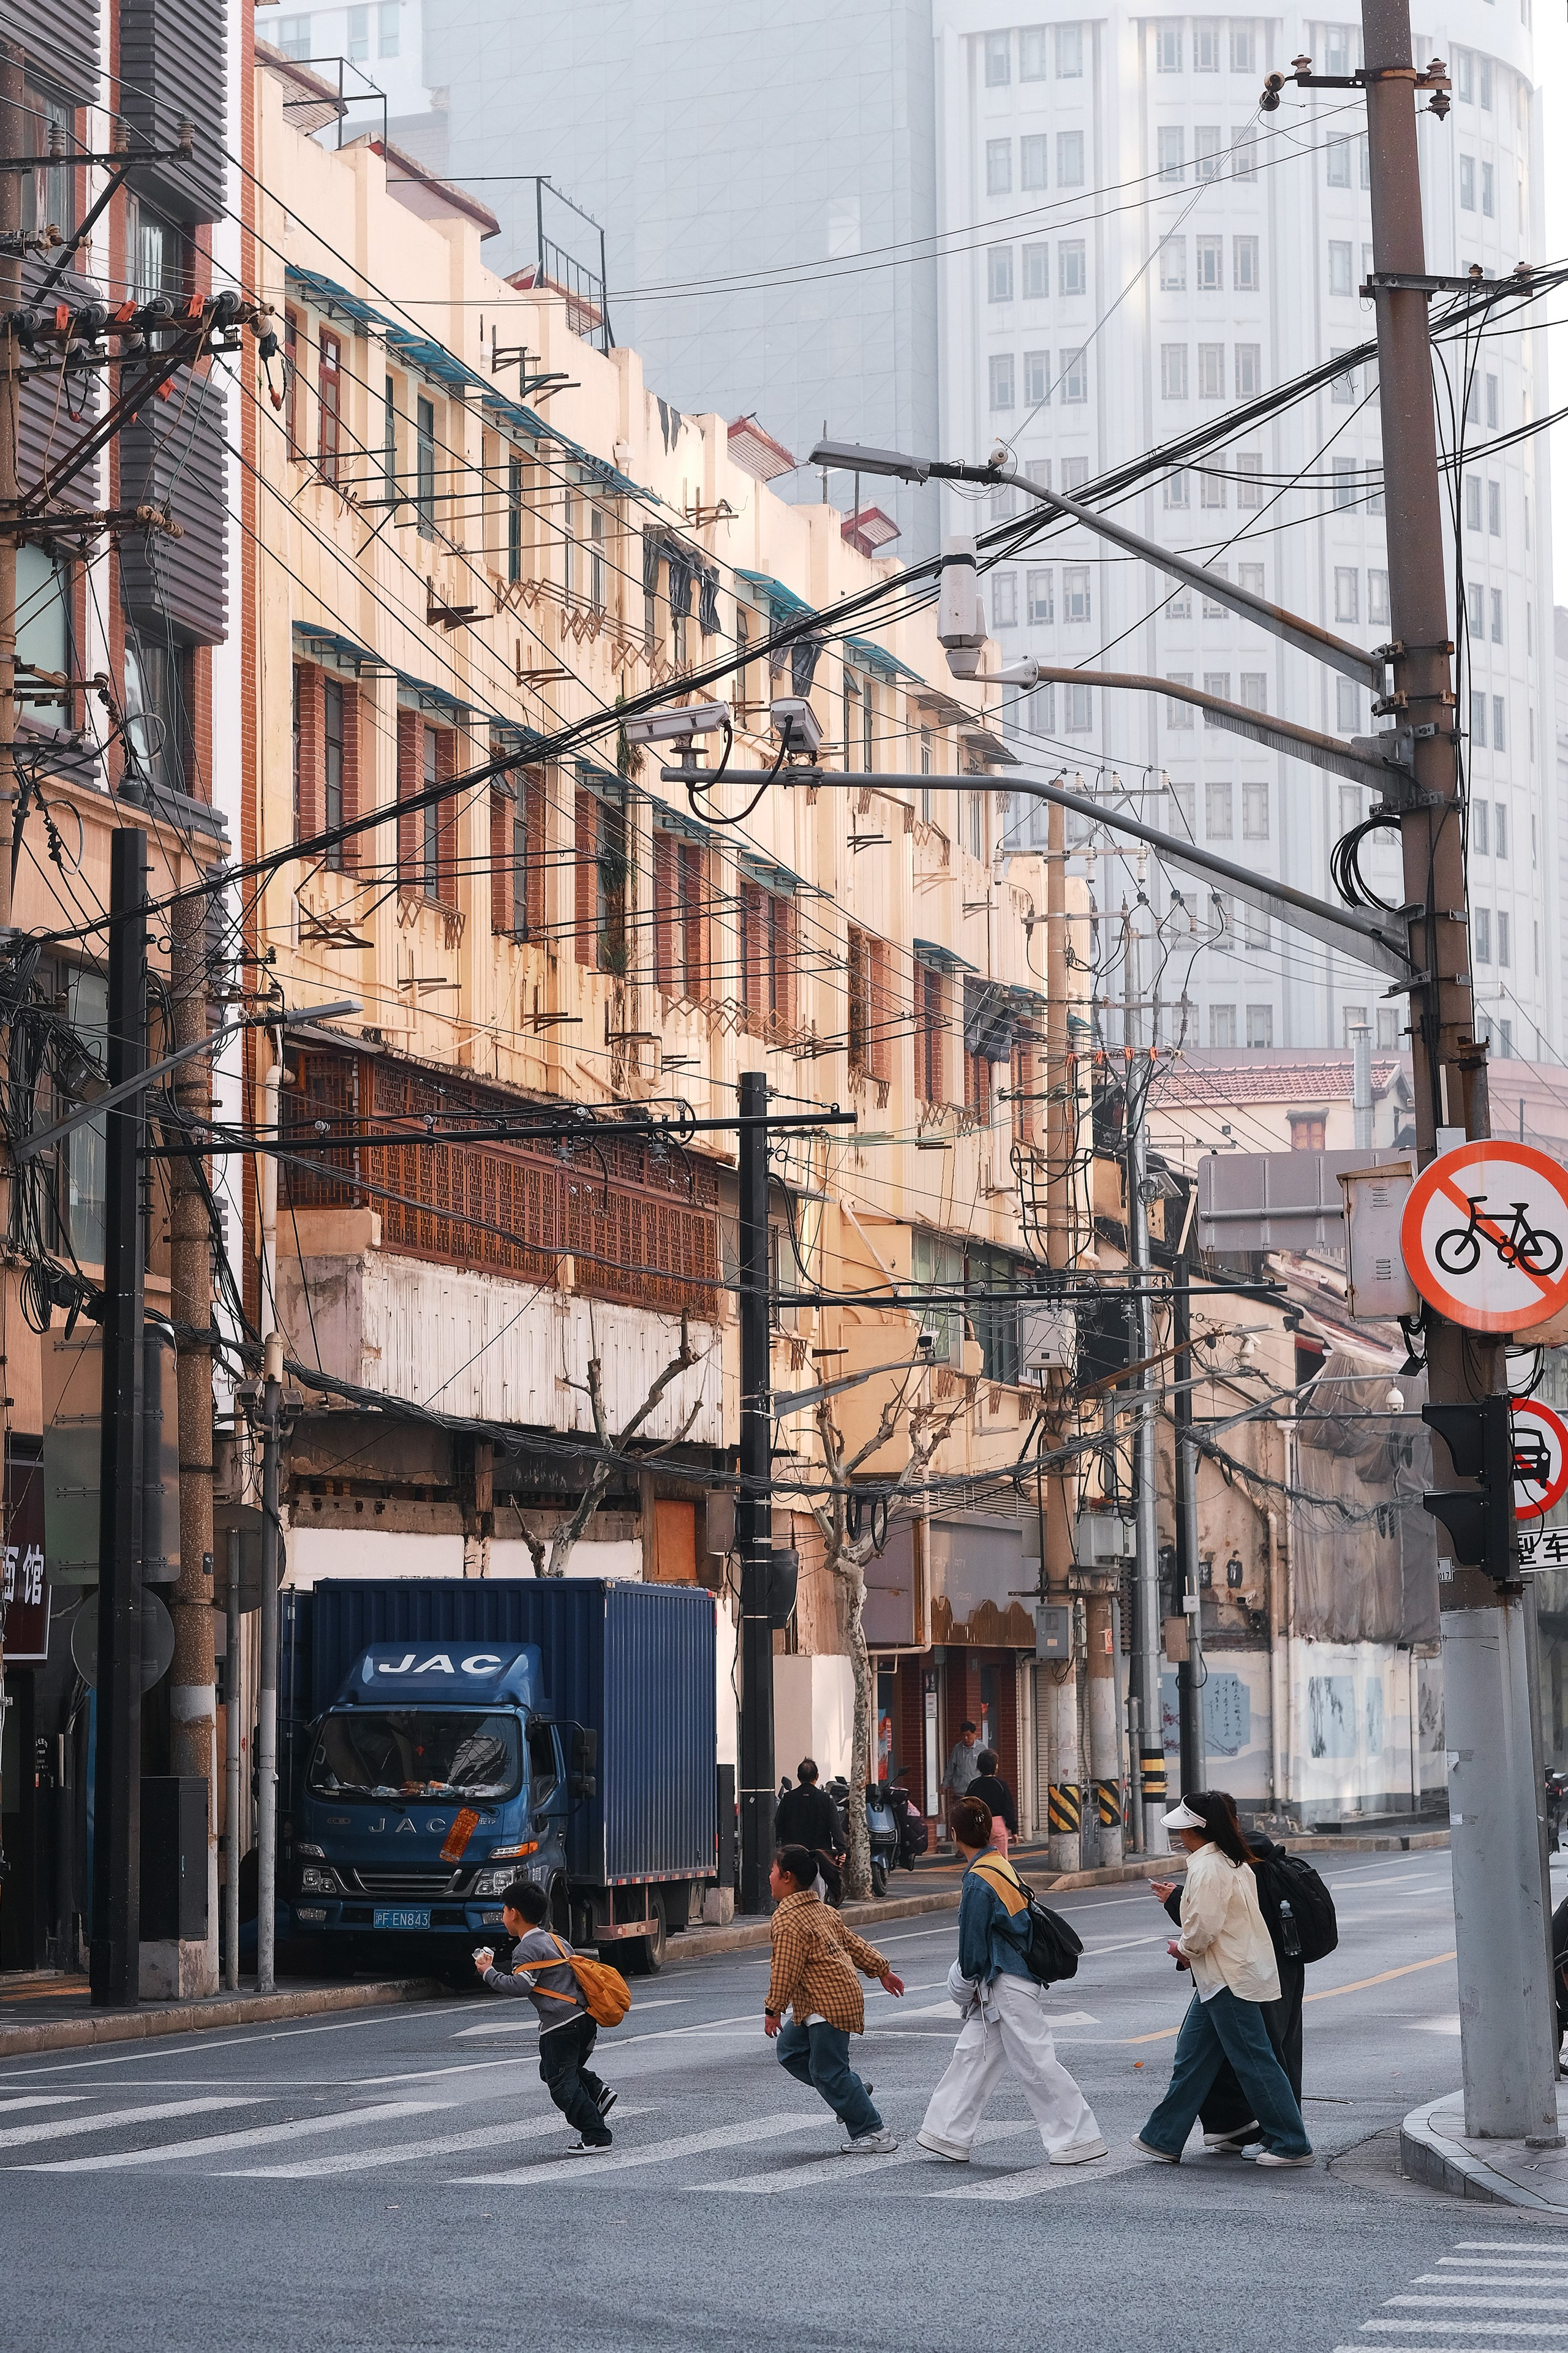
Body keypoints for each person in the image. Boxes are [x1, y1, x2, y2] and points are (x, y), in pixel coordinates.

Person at [916, 1796, 1107, 2169]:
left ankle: (1076, 2138)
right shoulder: (999, 1865)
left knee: (1034, 2061)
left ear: (954, 1834)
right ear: (989, 1829)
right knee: (974, 2055)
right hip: (1011, 1978)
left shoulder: (977, 1880)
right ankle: (947, 2133)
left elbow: (972, 1952)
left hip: (1004, 1981)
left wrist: (966, 1984)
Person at [1133, 1795, 1313, 2169]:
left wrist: (1182, 1948)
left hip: (1228, 1978)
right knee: (1192, 2058)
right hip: (1224, 1975)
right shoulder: (1230, 1860)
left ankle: (1292, 2142)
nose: (1179, 1833)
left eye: (1182, 1827)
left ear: (1196, 1828)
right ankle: (1162, 2137)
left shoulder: (1209, 1868)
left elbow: (1201, 1930)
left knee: (1254, 2061)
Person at [764, 1841, 905, 2152]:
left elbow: (785, 1969)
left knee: (829, 2072)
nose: (769, 1877)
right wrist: (882, 1969)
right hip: (827, 2001)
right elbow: (853, 1944)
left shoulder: (787, 1920)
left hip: (826, 2004)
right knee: (790, 2051)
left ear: (787, 1877)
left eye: (773, 1872)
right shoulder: (821, 1911)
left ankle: (875, 2132)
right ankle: (851, 2092)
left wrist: (773, 2009)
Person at [473, 1881, 615, 2154]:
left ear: (513, 1914)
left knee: (561, 2083)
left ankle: (596, 2135)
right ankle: (596, 2091)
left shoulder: (525, 1949)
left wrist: (488, 1973)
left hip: (559, 2025)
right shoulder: (557, 1940)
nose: (503, 1916)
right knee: (558, 2070)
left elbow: (520, 1985)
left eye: (504, 1910)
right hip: (585, 2019)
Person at [967, 1750, 1018, 1856]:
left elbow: (966, 1807)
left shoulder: (973, 1784)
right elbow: (1009, 1809)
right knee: (1000, 1861)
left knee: (979, 1860)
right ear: (996, 1767)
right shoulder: (1001, 1785)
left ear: (979, 1767)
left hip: (978, 1824)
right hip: (997, 1825)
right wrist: (1014, 1830)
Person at [941, 1721, 980, 1804]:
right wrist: (945, 1784)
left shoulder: (982, 1749)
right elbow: (951, 1768)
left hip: (976, 1793)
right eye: (963, 1735)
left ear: (975, 1734)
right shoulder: (957, 1749)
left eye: (968, 1735)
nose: (966, 1738)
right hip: (960, 1793)